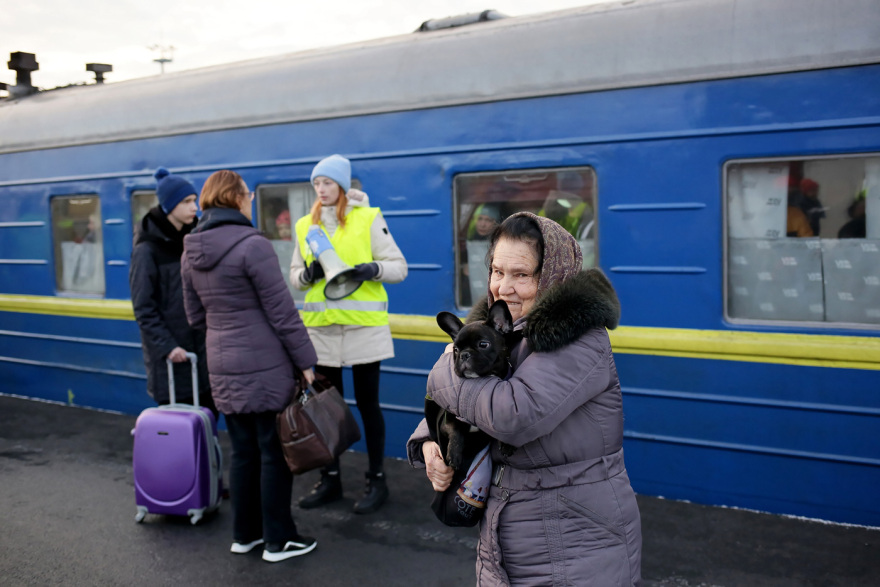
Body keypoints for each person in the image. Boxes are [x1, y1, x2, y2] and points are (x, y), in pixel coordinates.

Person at [407, 212, 642, 586]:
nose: (503, 288)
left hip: (574, 542)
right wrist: (429, 444)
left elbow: (514, 414)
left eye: (522, 275)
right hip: (509, 530)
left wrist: (442, 368)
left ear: (553, 277)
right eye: (497, 272)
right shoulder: (498, 332)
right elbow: (458, 402)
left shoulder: (578, 337)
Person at [181, 170, 319, 563]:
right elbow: (282, 311)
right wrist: (306, 361)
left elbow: (194, 316)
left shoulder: (189, 249)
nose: (251, 199)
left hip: (221, 363)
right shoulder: (251, 245)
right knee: (273, 452)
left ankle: (245, 535)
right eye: (248, 194)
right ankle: (278, 540)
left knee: (242, 452)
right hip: (264, 363)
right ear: (235, 198)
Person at [289, 154, 408, 514]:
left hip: (363, 330)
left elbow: (398, 268)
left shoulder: (368, 218)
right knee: (329, 410)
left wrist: (372, 268)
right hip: (322, 333)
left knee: (369, 407)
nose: (321, 190)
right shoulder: (304, 226)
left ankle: (376, 480)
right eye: (316, 184)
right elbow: (293, 275)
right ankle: (331, 479)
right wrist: (306, 276)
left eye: (327, 183)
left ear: (342, 185)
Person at [130, 167, 215, 417]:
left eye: (194, 201)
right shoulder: (147, 250)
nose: (194, 208)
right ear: (169, 206)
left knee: (207, 423)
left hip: (202, 353)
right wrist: (167, 346)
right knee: (181, 427)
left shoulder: (196, 239)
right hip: (174, 359)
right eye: (187, 202)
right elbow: (144, 306)